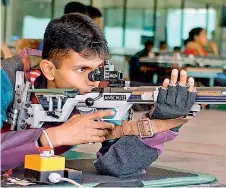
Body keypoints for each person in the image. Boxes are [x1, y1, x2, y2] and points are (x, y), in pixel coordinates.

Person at [1, 13, 197, 178]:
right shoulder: (7, 79)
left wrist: (163, 120)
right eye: (82, 69)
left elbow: (117, 167)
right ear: (49, 70)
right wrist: (54, 136)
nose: (94, 80)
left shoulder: (101, 91)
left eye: (98, 69)